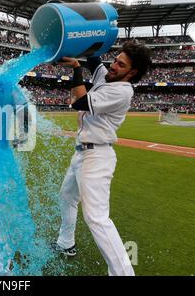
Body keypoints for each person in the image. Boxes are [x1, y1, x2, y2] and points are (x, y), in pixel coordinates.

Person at [53, 40, 152, 276]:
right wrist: (85, 37)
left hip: (97, 156)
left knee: (96, 218)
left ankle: (123, 274)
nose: (113, 65)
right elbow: (95, 58)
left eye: (121, 64)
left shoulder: (122, 90)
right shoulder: (107, 77)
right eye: (115, 60)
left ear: (132, 72)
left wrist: (77, 68)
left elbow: (79, 102)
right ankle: (66, 243)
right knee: (67, 197)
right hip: (83, 152)